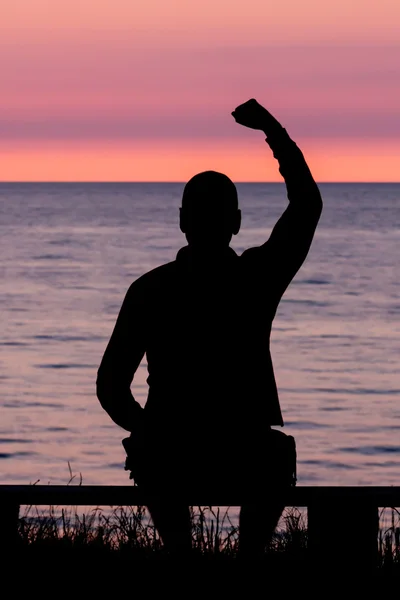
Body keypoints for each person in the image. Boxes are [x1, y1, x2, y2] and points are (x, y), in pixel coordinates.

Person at [96, 99, 323, 557]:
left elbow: (110, 387)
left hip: (172, 452)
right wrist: (272, 131)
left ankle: (183, 555)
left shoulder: (149, 289)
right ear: (236, 224)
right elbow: (307, 204)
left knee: (158, 457)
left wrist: (145, 428)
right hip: (241, 450)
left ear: (182, 221)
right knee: (275, 455)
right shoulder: (256, 278)